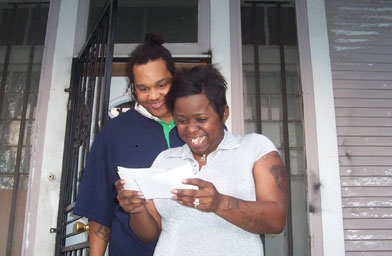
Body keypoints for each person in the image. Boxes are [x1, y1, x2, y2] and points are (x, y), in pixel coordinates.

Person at [116, 65, 289, 256]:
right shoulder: (165, 159)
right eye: (182, 121)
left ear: (223, 113)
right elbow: (149, 234)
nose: (191, 129)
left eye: (201, 119)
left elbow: (276, 219)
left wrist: (219, 203)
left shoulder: (255, 148)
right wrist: (137, 209)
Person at [74, 34, 184, 256]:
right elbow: (99, 207)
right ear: (133, 88)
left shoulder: (198, 127)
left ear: (175, 78)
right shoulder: (114, 133)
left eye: (161, 85)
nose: (154, 96)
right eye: (143, 89)